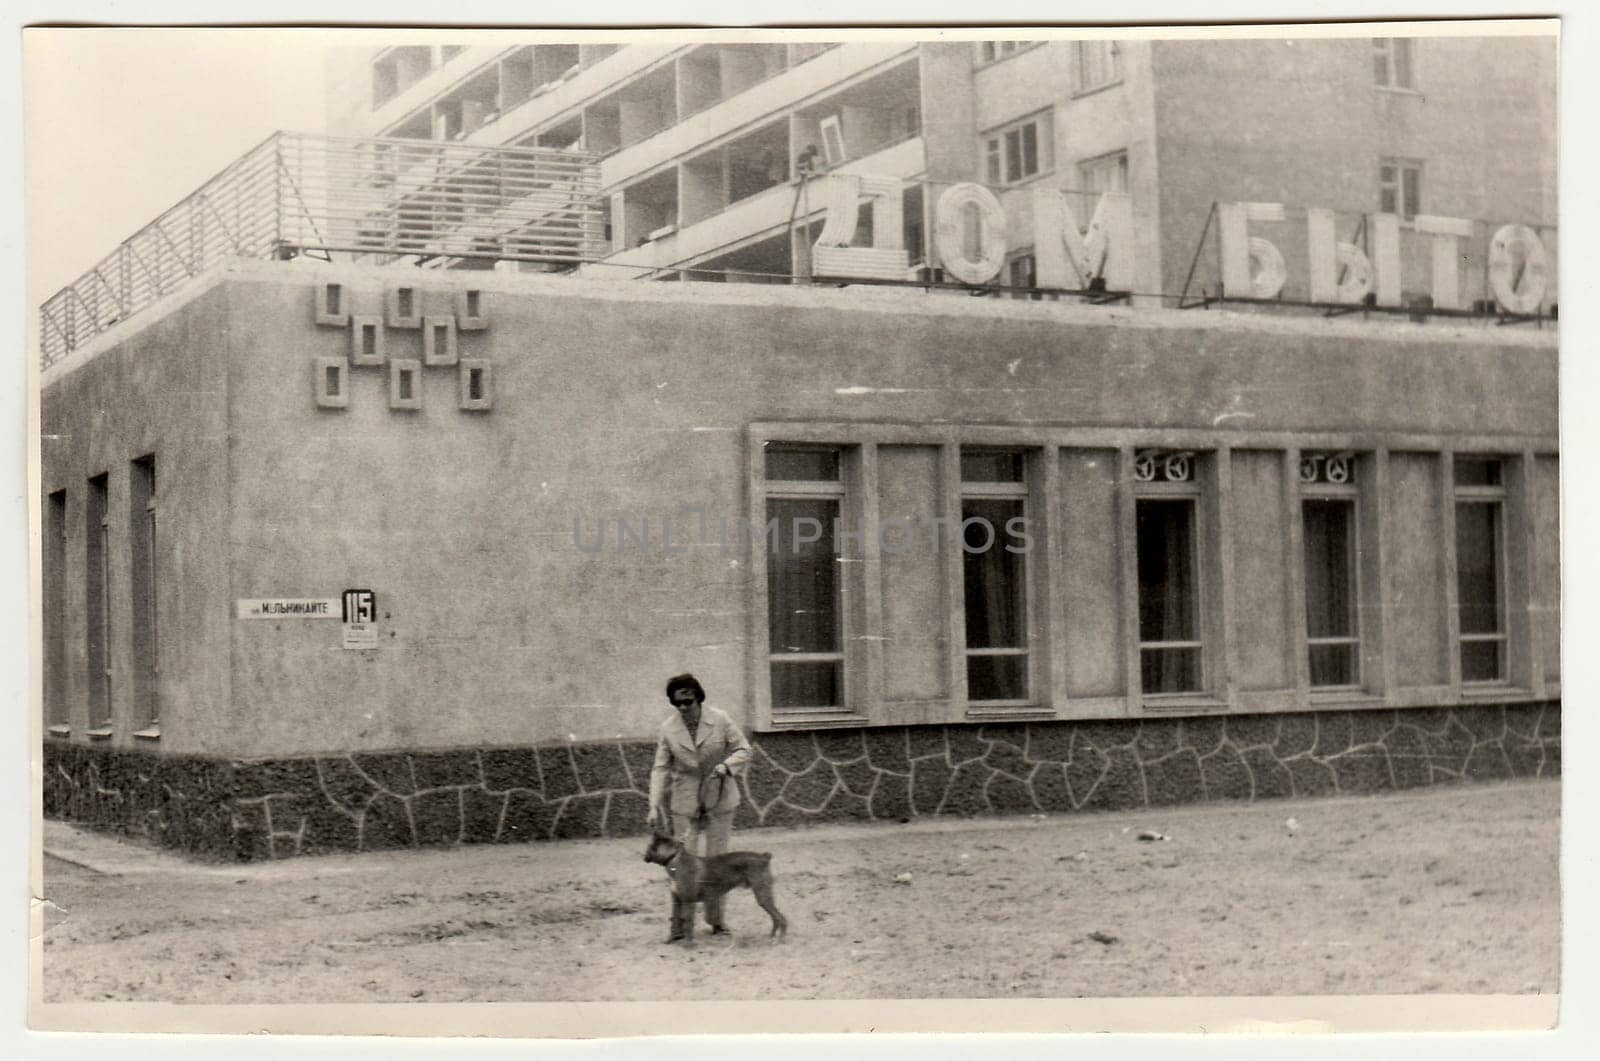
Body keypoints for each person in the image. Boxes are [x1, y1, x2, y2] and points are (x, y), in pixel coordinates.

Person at [647, 672, 752, 940]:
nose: (683, 708)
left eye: (688, 702)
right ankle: (680, 927)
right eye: (677, 704)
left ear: (698, 698)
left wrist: (726, 767)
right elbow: (660, 768)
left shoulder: (720, 719)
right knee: (681, 865)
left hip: (720, 797)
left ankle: (716, 921)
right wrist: (653, 804)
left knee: (717, 862)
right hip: (685, 801)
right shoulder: (668, 729)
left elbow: (744, 749)